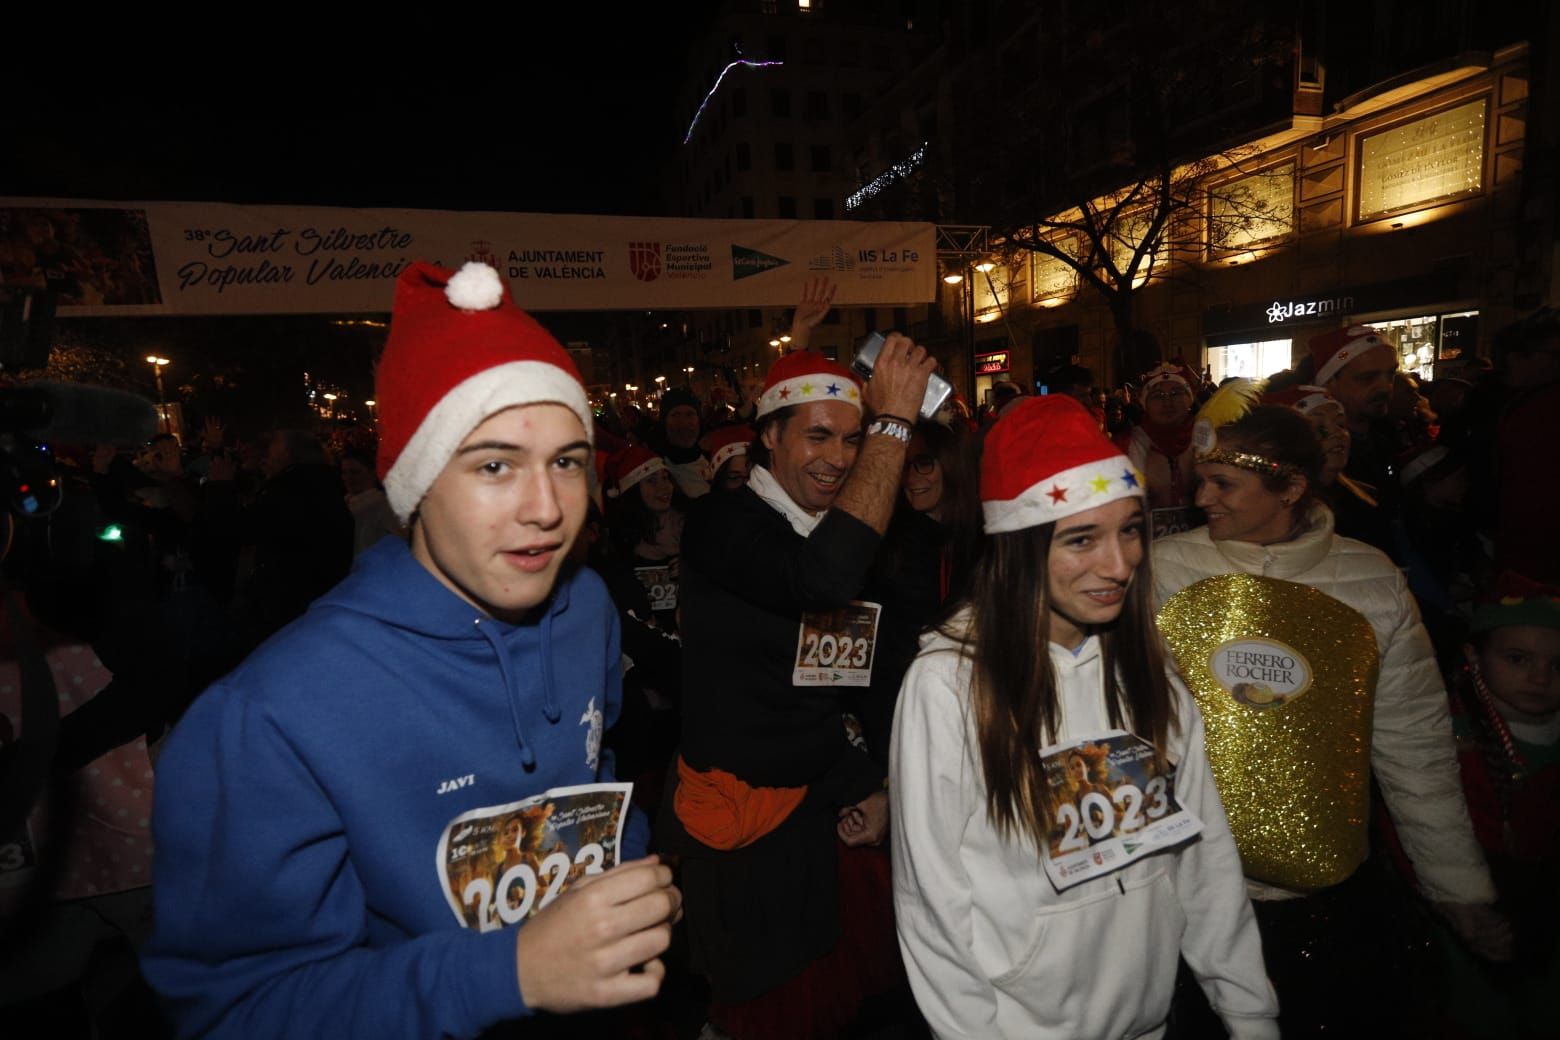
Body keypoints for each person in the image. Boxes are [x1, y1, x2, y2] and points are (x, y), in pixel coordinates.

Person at [142, 261, 681, 1038]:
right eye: (494, 465)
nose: (547, 509)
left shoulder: (585, 608)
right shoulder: (266, 715)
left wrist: (623, 874)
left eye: (566, 461)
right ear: (416, 484)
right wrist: (511, 973)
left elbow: (592, 774)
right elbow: (236, 1009)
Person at [890, 395, 1278, 1039]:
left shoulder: (1150, 675)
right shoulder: (948, 685)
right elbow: (931, 901)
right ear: (1019, 548)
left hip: (1145, 1019)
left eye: (1129, 529)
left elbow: (1203, 860)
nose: (1120, 563)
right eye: (1081, 539)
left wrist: (1249, 1012)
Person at [1152, 399, 1507, 1036]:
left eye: (1223, 483)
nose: (1202, 496)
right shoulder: (1164, 571)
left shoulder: (1372, 584)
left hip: (1320, 896)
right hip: (1185, 888)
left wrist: (1457, 885)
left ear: (1290, 486)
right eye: (1200, 478)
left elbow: (1414, 748)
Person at [663, 338, 937, 1040]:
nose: (840, 458)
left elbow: (840, 682)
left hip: (824, 809)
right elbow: (819, 581)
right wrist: (893, 425)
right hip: (744, 833)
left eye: (852, 439)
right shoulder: (723, 526)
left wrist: (874, 787)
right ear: (768, 437)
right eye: (818, 435)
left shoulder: (845, 530)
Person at [1426, 574, 1560, 1038]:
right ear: (1474, 658)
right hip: (1467, 915)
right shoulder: (1449, 737)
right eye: (1518, 659)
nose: (1541, 678)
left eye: (1558, 665)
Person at [1117, 361, 1198, 519]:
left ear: (1190, 399)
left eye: (1175, 393)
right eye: (1157, 396)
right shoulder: (1126, 445)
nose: (1167, 402)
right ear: (1144, 404)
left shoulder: (1213, 440)